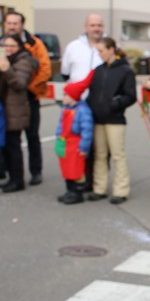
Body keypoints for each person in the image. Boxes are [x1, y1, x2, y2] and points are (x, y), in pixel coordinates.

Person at [0, 12, 50, 186]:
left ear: (22, 25)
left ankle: (35, 171)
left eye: (16, 23)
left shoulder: (35, 44)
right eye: (9, 23)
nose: (12, 26)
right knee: (6, 136)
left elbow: (44, 70)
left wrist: (27, 88)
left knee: (32, 136)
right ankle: (3, 170)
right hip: (6, 99)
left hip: (28, 96)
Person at [86, 38, 135, 204]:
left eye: (101, 50)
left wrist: (116, 104)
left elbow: (131, 96)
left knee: (117, 155)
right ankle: (99, 189)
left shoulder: (125, 70)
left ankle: (121, 191)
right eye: (98, 51)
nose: (99, 54)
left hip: (115, 119)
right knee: (100, 155)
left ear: (111, 49)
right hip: (98, 119)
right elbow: (92, 93)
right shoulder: (98, 70)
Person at [0, 34, 38, 194]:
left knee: (13, 147)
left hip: (15, 110)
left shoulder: (24, 62)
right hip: (3, 109)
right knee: (6, 147)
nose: (8, 49)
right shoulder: (6, 60)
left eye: (12, 46)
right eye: (5, 46)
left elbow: (20, 83)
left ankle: (17, 180)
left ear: (19, 47)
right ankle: (11, 178)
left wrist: (6, 70)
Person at [55, 72, 94, 205]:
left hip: (75, 145)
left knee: (76, 170)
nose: (63, 97)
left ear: (73, 96)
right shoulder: (65, 108)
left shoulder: (83, 111)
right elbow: (61, 125)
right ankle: (69, 190)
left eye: (65, 95)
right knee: (66, 169)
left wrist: (83, 147)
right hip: (65, 144)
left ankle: (77, 193)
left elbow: (87, 131)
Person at [61, 13, 104, 84]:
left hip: (103, 95)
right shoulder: (73, 46)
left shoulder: (112, 47)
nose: (96, 29)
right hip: (78, 94)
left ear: (103, 27)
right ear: (85, 27)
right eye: (92, 25)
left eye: (99, 25)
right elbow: (65, 73)